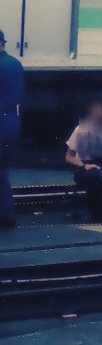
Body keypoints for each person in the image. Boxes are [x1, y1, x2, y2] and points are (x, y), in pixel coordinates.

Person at [0, 29, 21, 230]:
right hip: (11, 123)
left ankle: (6, 215)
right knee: (3, 171)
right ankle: (6, 215)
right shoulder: (14, 64)